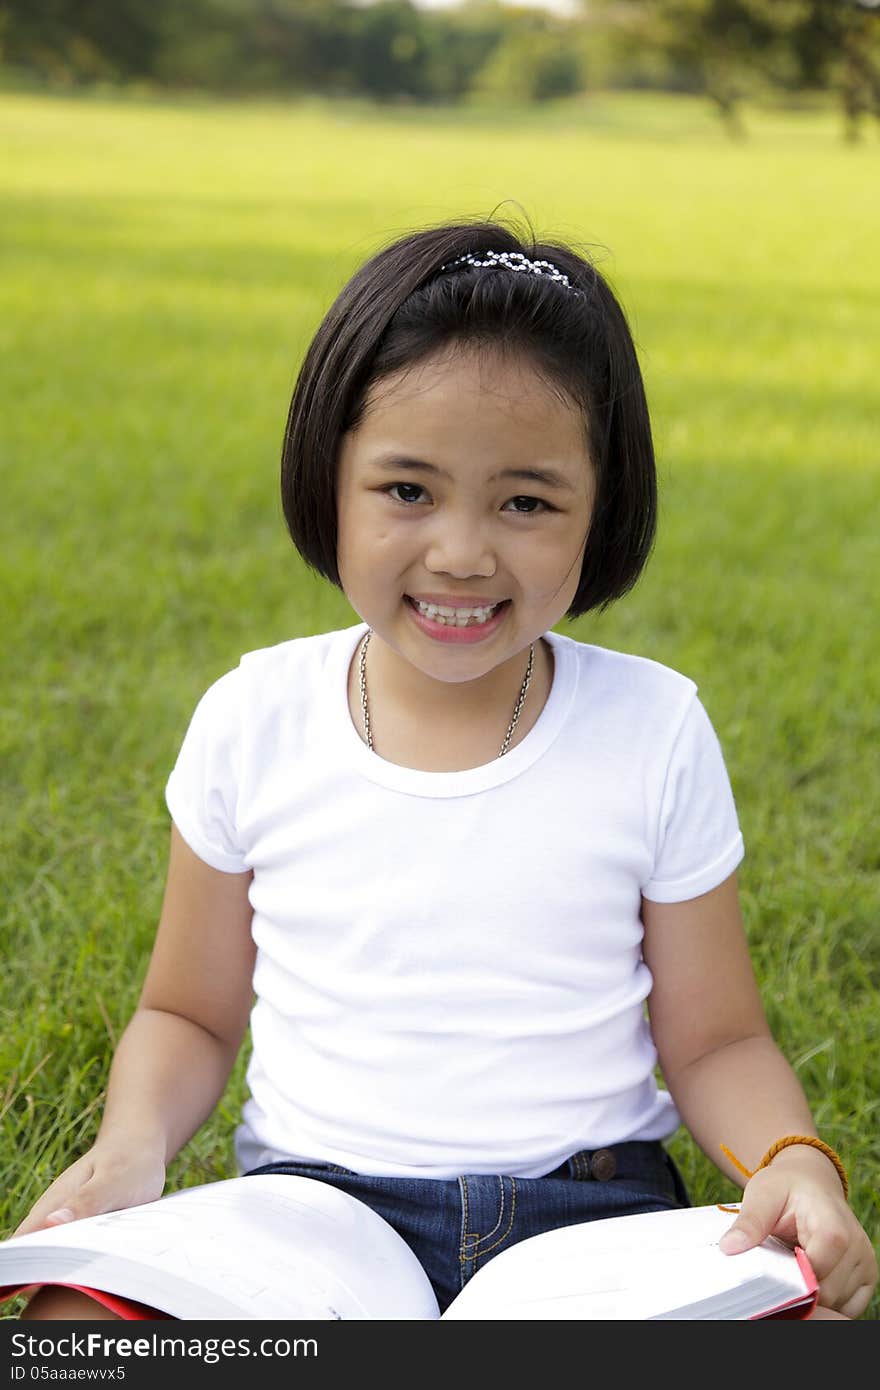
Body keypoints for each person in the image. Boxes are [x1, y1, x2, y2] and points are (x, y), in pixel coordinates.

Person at [13, 219, 877, 1322]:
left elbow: (715, 1037)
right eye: (407, 490)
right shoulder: (253, 716)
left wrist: (793, 1160)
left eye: (525, 501)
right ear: (329, 479)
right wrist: (127, 1150)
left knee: (805, 1328)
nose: (462, 551)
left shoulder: (654, 727)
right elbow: (187, 1013)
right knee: (74, 1331)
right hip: (312, 1215)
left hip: (593, 1216)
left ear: (599, 507)